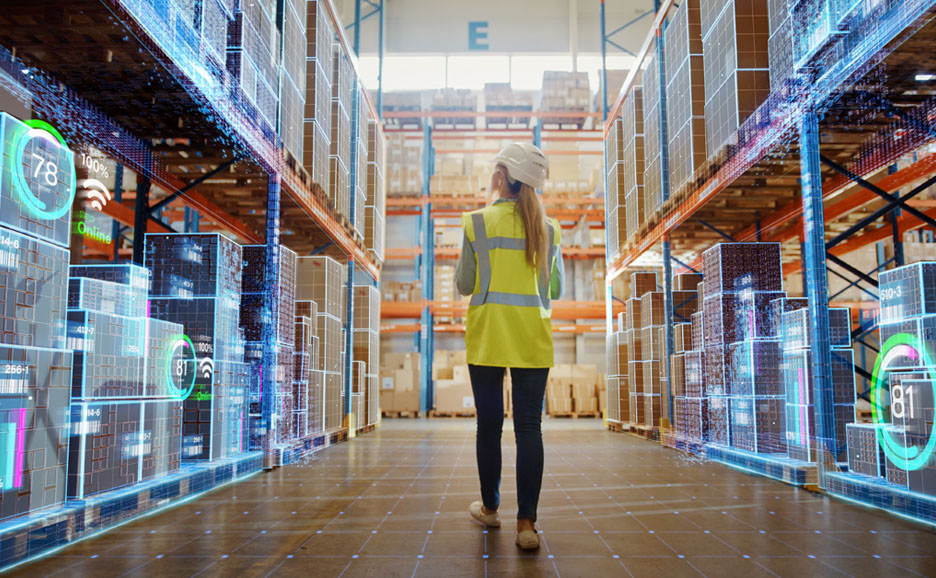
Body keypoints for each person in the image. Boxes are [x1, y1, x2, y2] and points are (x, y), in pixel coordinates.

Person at [454, 143, 564, 550]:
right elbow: (555, 288)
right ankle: (527, 526)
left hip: (487, 339)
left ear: (503, 177)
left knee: (489, 426)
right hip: (532, 340)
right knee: (529, 428)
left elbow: (465, 284)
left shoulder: (476, 223)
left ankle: (490, 508)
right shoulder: (549, 230)